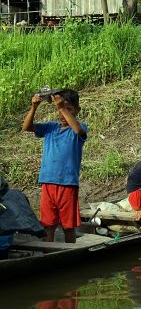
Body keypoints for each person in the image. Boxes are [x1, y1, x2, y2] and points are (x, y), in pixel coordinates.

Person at [22, 89, 88, 243]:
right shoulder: (50, 127)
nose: (63, 113)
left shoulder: (80, 127)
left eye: (68, 109)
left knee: (68, 226)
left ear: (77, 110)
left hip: (67, 184)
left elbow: (78, 130)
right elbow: (26, 127)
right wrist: (34, 107)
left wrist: (61, 106)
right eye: (60, 109)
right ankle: (48, 252)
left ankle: (71, 253)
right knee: (48, 225)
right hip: (48, 182)